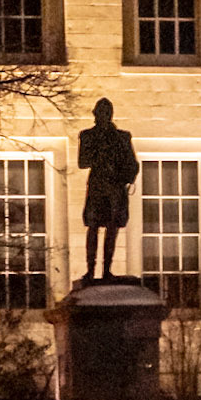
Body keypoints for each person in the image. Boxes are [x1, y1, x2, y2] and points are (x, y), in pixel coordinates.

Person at [78, 97, 139, 284]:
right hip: (97, 187)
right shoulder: (88, 135)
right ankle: (90, 270)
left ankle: (107, 270)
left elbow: (133, 163)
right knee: (93, 226)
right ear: (95, 114)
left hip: (115, 188)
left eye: (106, 112)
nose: (103, 116)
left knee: (112, 228)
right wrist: (101, 154)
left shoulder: (122, 137)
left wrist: (126, 177)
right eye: (100, 112)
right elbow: (82, 162)